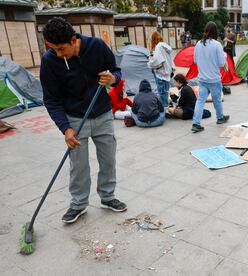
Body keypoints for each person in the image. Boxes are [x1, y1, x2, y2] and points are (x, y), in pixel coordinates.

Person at [40, 17, 127, 224]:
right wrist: (65, 129)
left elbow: (116, 70)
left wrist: (113, 79)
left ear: (73, 40)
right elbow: (51, 99)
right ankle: (78, 204)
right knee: (78, 166)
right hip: (74, 119)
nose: (58, 54)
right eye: (53, 49)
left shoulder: (96, 46)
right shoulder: (50, 60)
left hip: (103, 114)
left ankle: (107, 197)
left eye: (61, 49)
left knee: (108, 159)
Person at [192, 21, 230, 133]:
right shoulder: (217, 44)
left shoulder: (198, 44)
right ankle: (220, 118)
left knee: (200, 101)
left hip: (202, 78)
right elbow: (221, 63)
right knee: (217, 100)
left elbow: (195, 61)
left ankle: (196, 123)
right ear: (215, 31)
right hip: (214, 79)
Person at [148, 31, 174, 108]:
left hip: (160, 73)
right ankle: (165, 107)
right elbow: (170, 60)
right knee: (165, 92)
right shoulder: (165, 46)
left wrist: (149, 64)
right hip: (167, 73)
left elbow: (157, 61)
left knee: (162, 93)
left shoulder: (158, 47)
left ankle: (164, 110)